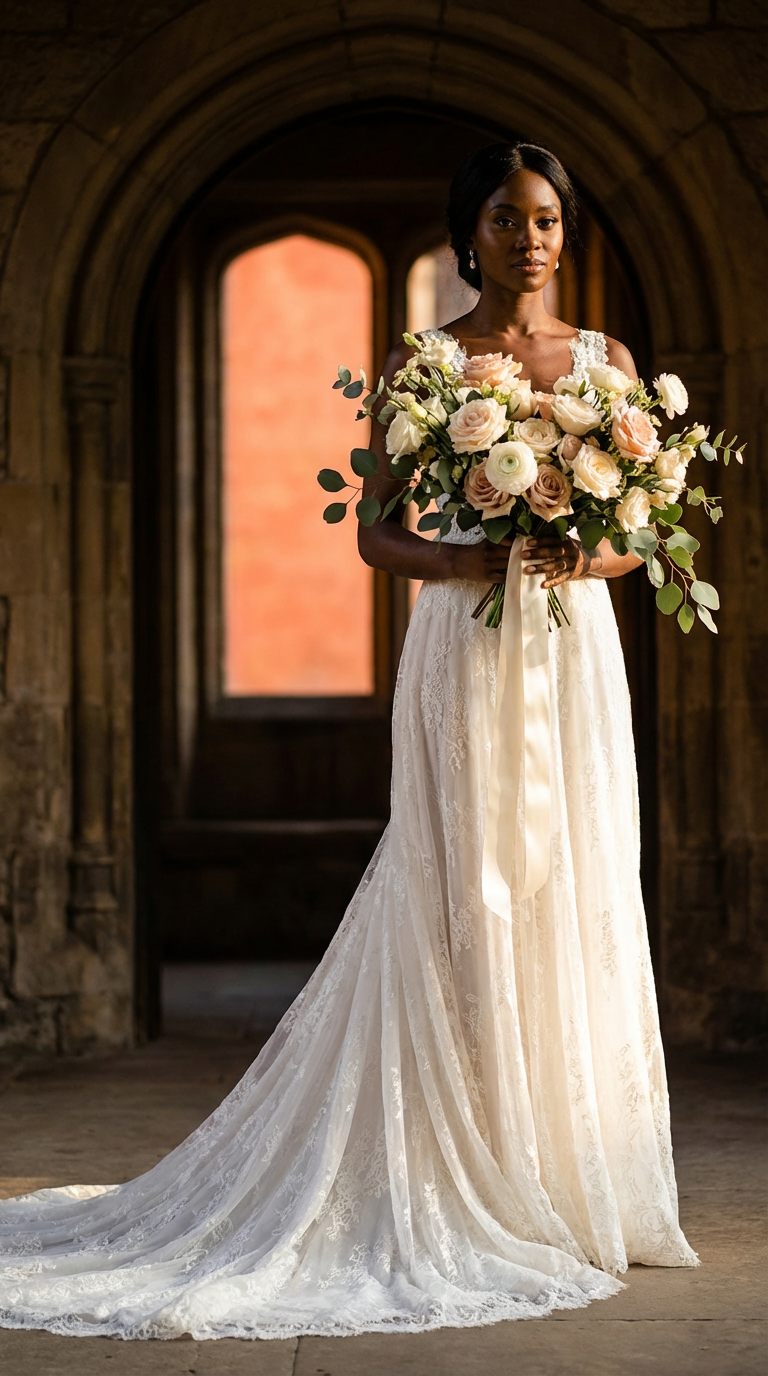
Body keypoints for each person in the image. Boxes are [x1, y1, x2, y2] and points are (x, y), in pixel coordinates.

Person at [0, 141, 697, 1343]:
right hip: (462, 646)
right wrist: (459, 559)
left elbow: (645, 528)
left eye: (546, 219)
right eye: (505, 216)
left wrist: (597, 551)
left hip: (569, 647)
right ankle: (472, 1165)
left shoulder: (611, 364)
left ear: (563, 233)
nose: (529, 237)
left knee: (574, 881)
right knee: (460, 892)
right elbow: (375, 535)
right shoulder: (426, 364)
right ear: (465, 231)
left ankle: (577, 1176)